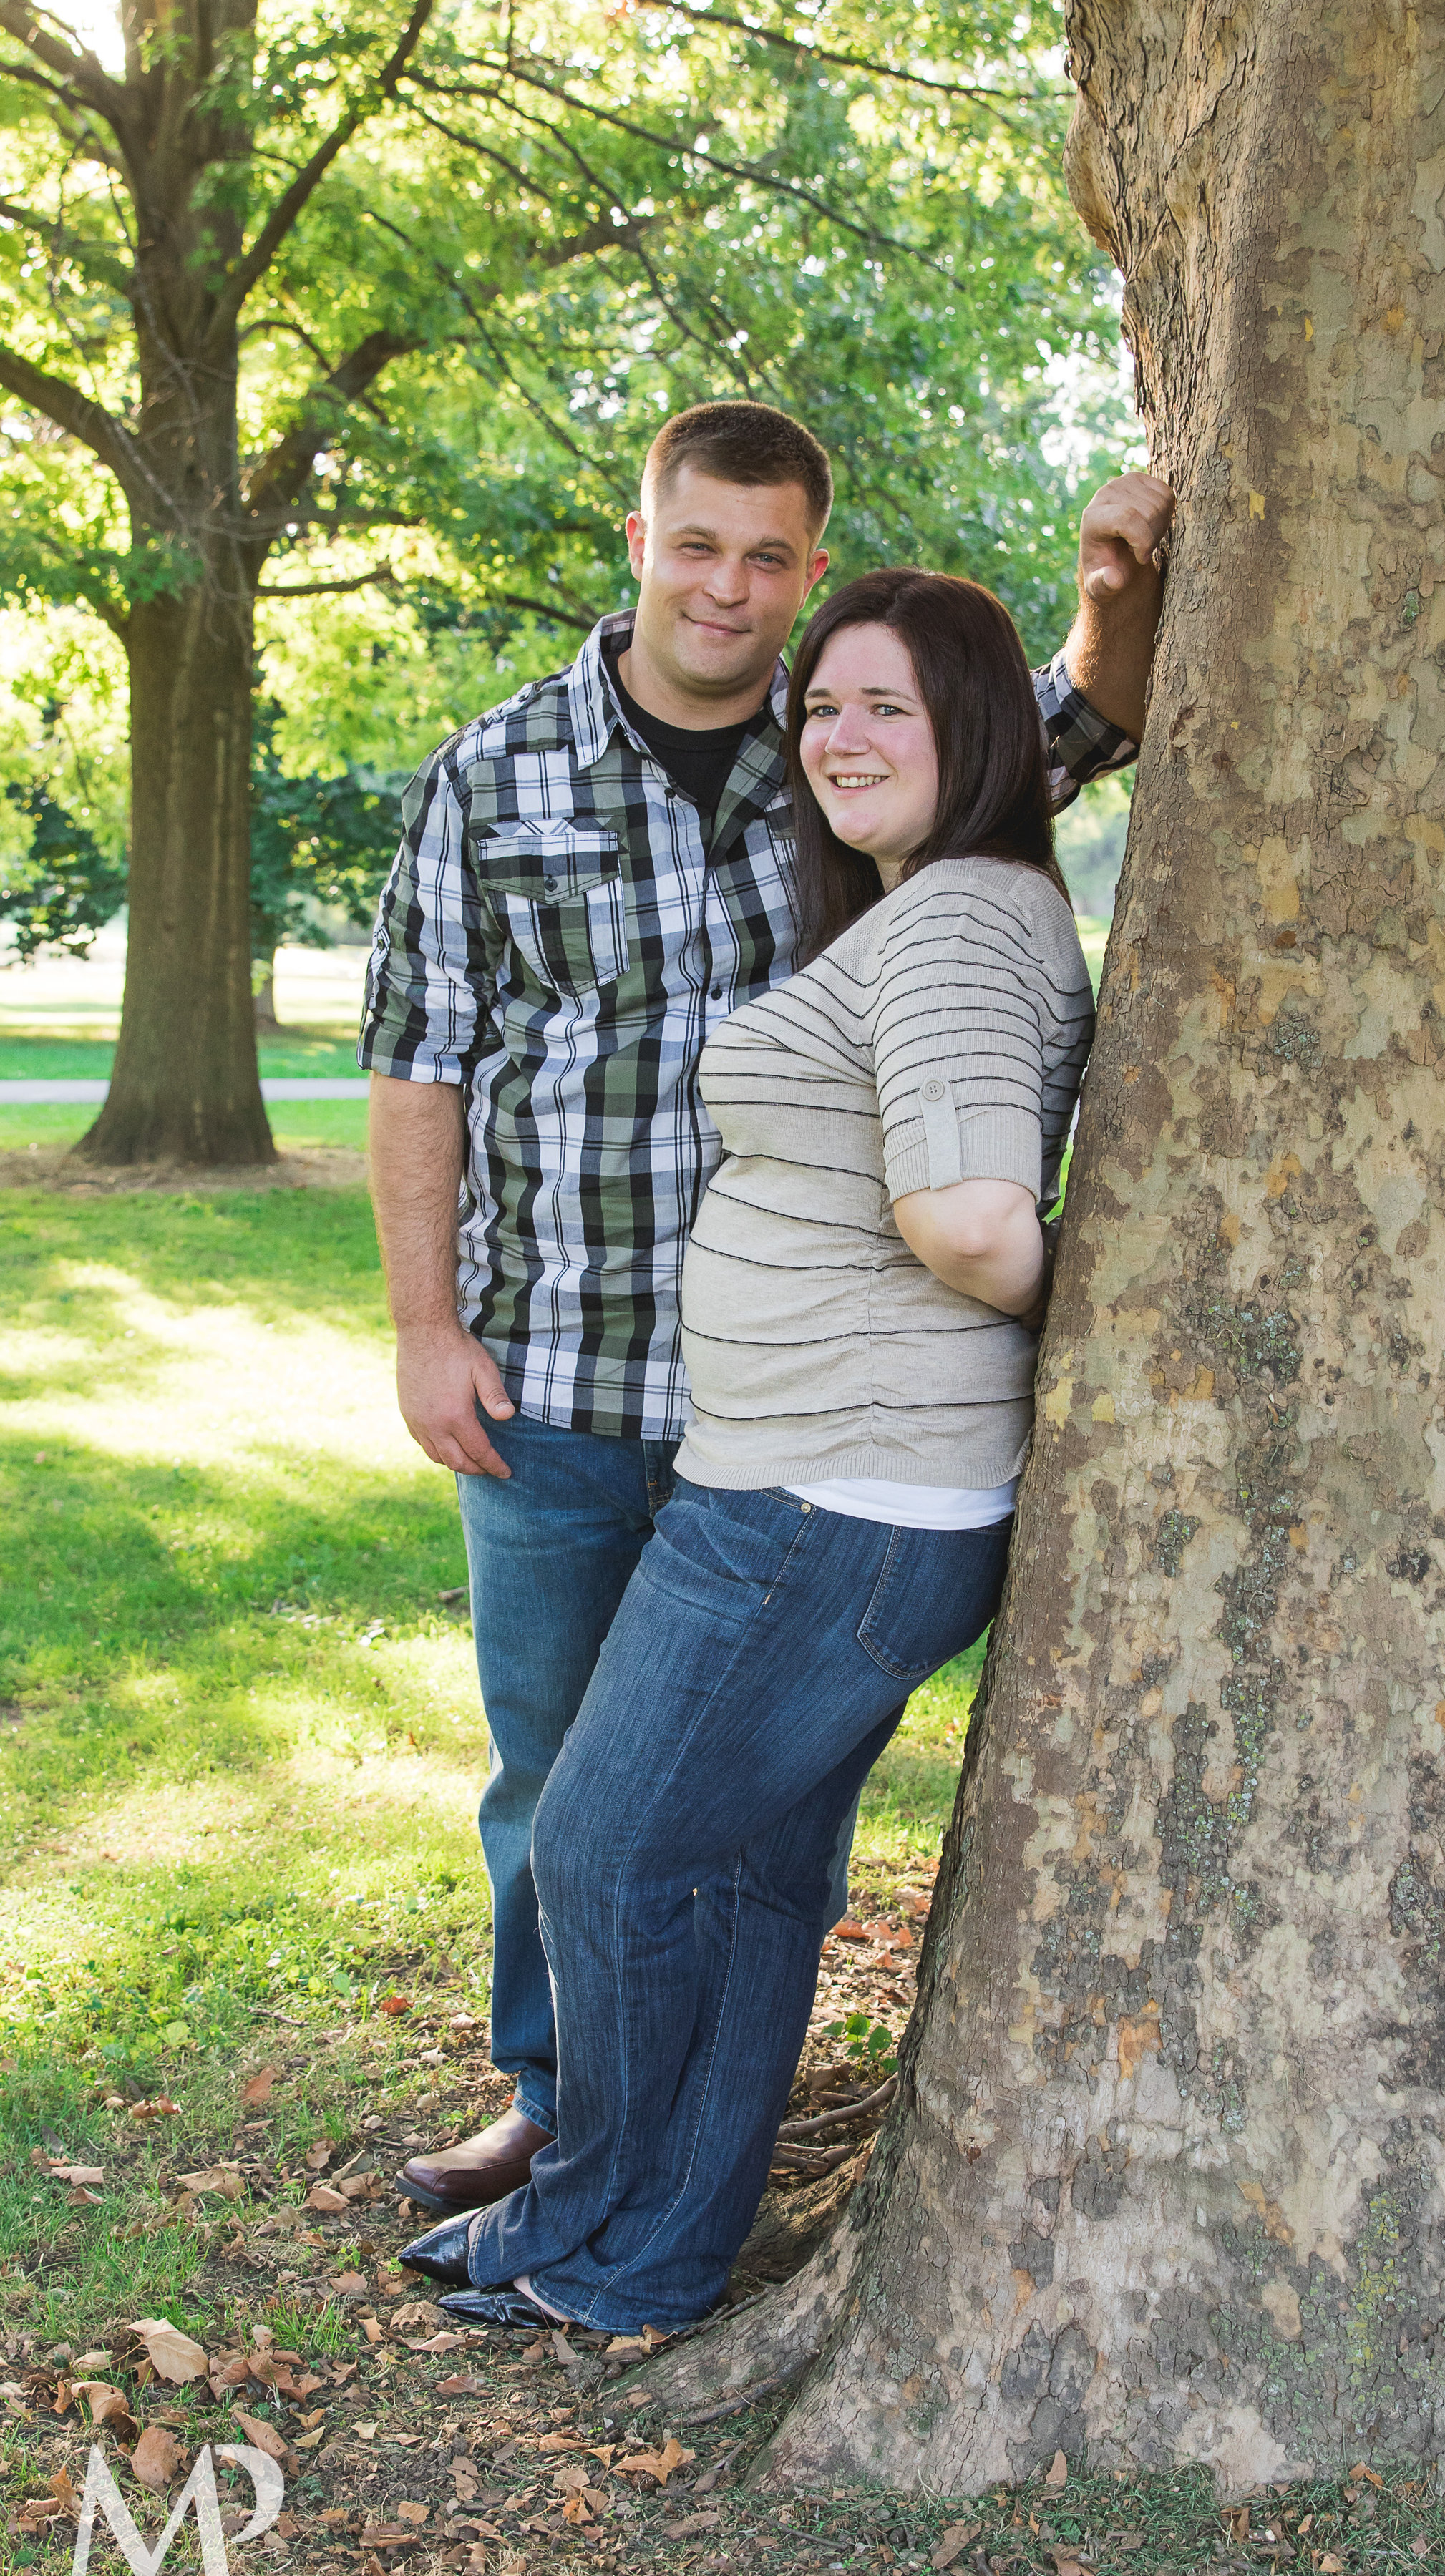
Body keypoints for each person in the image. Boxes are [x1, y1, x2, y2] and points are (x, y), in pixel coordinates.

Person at [362, 399, 1172, 2218]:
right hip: (564, 1373)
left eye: (767, 556)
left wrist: (1108, 585)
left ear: (808, 569)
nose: (728, 586)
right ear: (639, 541)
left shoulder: (850, 752)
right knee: (560, 1778)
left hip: (803, 1419)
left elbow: (1079, 716)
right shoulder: (495, 775)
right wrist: (427, 1328)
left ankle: (688, 2130)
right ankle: (560, 2102)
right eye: (696, 543)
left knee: (750, 1817)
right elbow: (416, 1066)